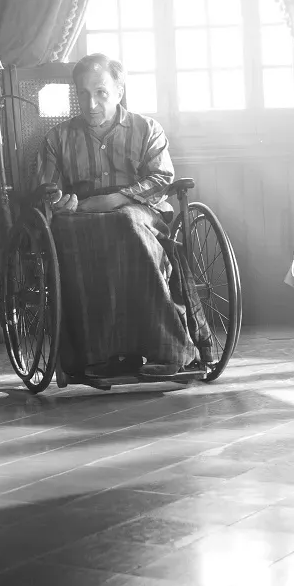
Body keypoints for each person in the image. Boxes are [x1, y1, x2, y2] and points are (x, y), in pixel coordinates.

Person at [37, 53, 215, 378]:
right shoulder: (58, 138)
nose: (91, 103)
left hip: (141, 213)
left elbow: (162, 179)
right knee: (72, 234)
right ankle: (99, 356)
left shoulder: (146, 129)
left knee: (125, 222)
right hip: (82, 220)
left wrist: (117, 198)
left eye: (101, 92)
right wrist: (58, 200)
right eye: (83, 94)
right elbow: (48, 186)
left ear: (119, 91)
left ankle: (172, 349)